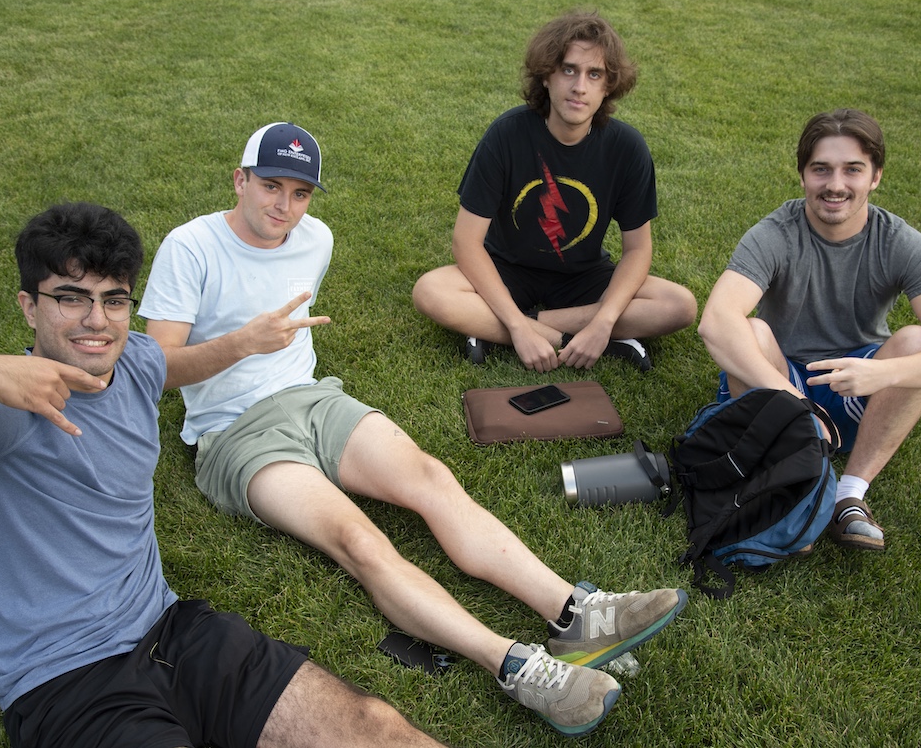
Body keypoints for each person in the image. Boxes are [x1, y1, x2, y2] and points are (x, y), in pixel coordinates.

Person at [139, 122, 689, 737]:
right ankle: (517, 666)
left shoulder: (313, 239)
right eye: (270, 186)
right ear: (239, 181)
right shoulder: (189, 248)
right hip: (237, 434)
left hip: (315, 401)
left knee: (432, 479)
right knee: (360, 540)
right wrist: (242, 345)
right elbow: (154, 369)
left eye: (300, 193)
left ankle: (577, 612)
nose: (283, 207)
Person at [0, 202, 447, 748]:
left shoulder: (134, 362)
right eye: (71, 298)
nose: (97, 321)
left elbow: (171, 367)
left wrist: (241, 344)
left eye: (114, 299)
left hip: (170, 630)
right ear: (29, 307)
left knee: (373, 726)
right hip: (65, 678)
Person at [698, 109, 921, 551]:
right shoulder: (776, 233)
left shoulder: (899, 242)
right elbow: (716, 322)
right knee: (751, 331)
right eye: (821, 170)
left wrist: (883, 375)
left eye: (853, 169)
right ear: (803, 177)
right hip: (777, 384)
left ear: (875, 177)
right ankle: (798, 488)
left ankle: (849, 495)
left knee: (918, 343)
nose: (835, 185)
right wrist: (797, 404)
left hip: (858, 389)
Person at [411, 10, 697, 373]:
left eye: (594, 74)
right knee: (430, 291)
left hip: (584, 278)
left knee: (678, 304)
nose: (580, 87)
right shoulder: (507, 135)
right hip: (506, 271)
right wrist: (518, 326)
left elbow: (638, 248)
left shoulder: (626, 147)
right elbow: (466, 242)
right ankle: (553, 335)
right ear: (546, 75)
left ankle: (494, 327)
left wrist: (605, 321)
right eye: (568, 70)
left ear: (608, 85)